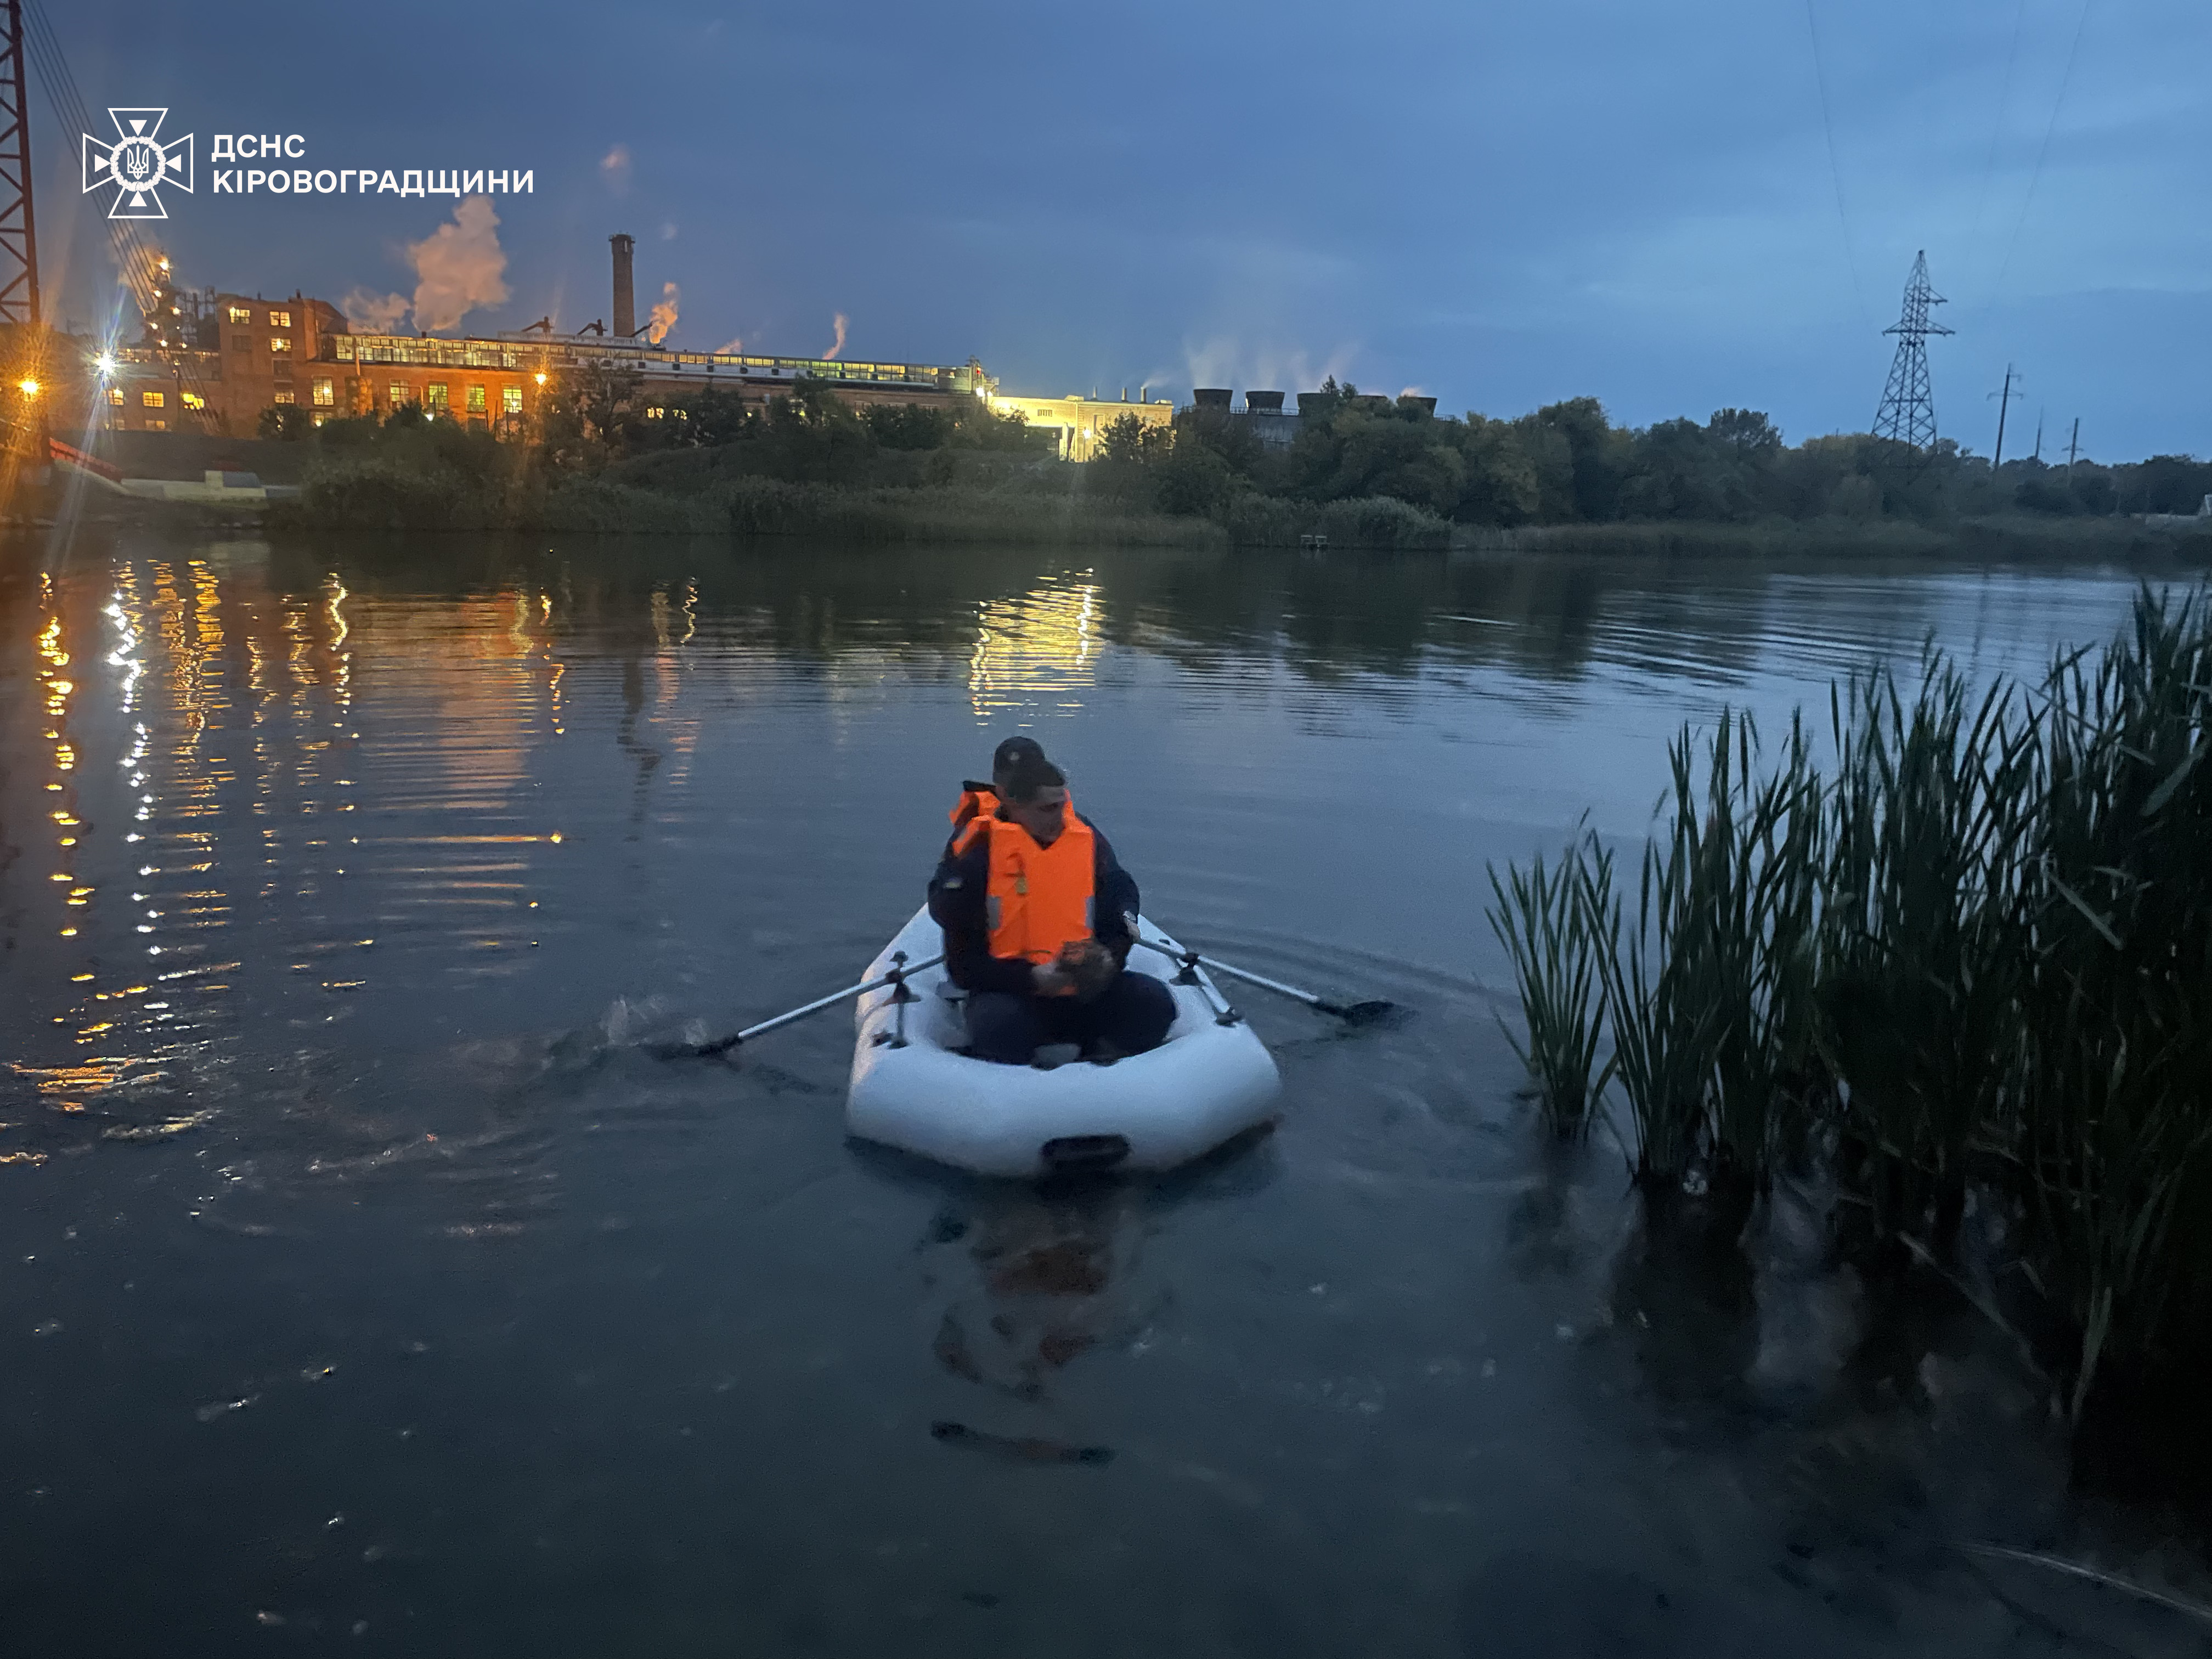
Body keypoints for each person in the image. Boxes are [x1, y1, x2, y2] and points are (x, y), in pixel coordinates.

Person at [928, 748, 1176, 1067]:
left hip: (1083, 989)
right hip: (1014, 993)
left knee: (1153, 1003)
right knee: (999, 1025)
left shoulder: (1084, 841)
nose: (1060, 819)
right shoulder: (977, 860)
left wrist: (1109, 957)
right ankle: (1016, 1078)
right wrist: (1032, 978)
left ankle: (1104, 1055)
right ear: (1013, 804)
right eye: (1047, 809)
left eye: (1062, 806)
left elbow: (1120, 891)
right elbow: (964, 967)